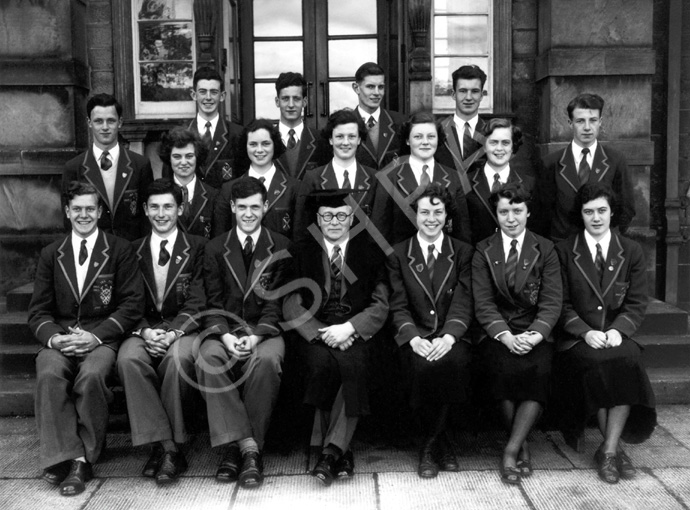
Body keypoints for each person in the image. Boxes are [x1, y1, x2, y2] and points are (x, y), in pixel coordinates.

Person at [28, 182, 144, 496]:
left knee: (92, 376)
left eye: (90, 209)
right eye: (77, 209)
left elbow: (132, 304)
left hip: (102, 338)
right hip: (63, 338)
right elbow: (38, 311)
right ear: (67, 212)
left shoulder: (119, 249)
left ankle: (86, 454)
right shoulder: (52, 254)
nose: (84, 215)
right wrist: (56, 339)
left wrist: (94, 337)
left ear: (100, 211)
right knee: (50, 373)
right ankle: (69, 455)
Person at [283, 189, 388, 486]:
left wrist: (351, 328)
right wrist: (321, 333)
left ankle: (328, 452)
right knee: (322, 367)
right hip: (317, 332)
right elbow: (291, 302)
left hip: (355, 331)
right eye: (327, 216)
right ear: (317, 219)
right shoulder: (301, 250)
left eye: (341, 215)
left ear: (352, 218)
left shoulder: (369, 250)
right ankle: (342, 450)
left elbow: (381, 304)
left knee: (354, 367)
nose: (334, 221)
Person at [555, 183, 656, 484]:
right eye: (589, 212)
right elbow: (558, 304)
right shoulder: (564, 251)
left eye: (602, 210)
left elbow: (637, 302)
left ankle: (609, 450)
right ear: (581, 215)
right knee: (598, 364)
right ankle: (613, 451)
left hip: (615, 336)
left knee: (627, 360)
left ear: (613, 213)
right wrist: (584, 332)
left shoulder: (631, 250)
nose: (596, 218)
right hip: (577, 339)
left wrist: (618, 329)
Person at [196, 177, 292, 488]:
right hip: (224, 328)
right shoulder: (214, 247)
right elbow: (211, 301)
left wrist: (254, 337)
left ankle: (237, 450)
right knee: (207, 357)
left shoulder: (281, 246)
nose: (249, 213)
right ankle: (247, 449)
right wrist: (224, 336)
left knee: (267, 361)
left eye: (255, 207)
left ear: (265, 207)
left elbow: (277, 303)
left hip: (263, 329)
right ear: (233, 208)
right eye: (242, 207)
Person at [116, 179, 207, 485]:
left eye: (168, 206)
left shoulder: (197, 247)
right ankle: (168, 447)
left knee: (177, 360)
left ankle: (169, 446)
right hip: (143, 329)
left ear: (180, 209)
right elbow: (127, 300)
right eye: (154, 206)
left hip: (183, 329)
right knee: (128, 360)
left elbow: (198, 300)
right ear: (144, 210)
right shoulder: (132, 250)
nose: (161, 213)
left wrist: (171, 333)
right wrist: (144, 332)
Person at [472, 182, 562, 485]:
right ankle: (521, 446)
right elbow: (483, 304)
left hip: (535, 333)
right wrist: (506, 336)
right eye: (504, 212)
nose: (511, 218)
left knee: (539, 370)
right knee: (501, 369)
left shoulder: (545, 248)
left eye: (517, 211)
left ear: (528, 213)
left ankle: (510, 450)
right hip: (498, 334)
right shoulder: (483, 251)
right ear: (496, 215)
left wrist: (535, 335)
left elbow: (551, 302)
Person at [386, 183, 474, 479]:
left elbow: (464, 300)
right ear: (416, 215)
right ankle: (440, 443)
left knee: (455, 362)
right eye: (425, 212)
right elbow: (397, 305)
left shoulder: (462, 251)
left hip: (452, 334)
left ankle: (430, 446)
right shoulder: (399, 254)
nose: (431, 218)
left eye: (438, 212)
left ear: (447, 216)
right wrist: (413, 338)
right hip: (417, 334)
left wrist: (449, 337)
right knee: (421, 367)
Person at [539, 93, 635, 241]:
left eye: (593, 120)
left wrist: (605, 236)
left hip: (601, 247)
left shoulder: (615, 161)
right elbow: (543, 214)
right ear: (570, 123)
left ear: (600, 122)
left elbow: (626, 208)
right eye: (580, 121)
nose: (587, 127)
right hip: (563, 250)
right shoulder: (551, 163)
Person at [62, 93, 153, 241]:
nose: (105, 127)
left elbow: (147, 216)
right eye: (98, 121)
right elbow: (69, 221)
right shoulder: (74, 168)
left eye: (110, 121)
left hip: (131, 252)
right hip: (93, 252)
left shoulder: (140, 164)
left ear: (120, 122)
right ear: (89, 122)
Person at [373, 111, 471, 245]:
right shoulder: (389, 177)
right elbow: (380, 230)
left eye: (431, 136)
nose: (425, 142)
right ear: (408, 140)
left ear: (438, 139)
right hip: (401, 260)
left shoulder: (454, 177)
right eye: (418, 137)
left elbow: (462, 231)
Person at [293, 110, 379, 245]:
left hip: (364, 260)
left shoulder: (374, 178)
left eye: (351, 136)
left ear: (359, 140)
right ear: (330, 139)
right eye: (339, 136)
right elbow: (302, 228)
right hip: (323, 259)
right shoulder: (313, 178)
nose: (345, 142)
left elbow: (380, 227)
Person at [212, 119, 298, 239]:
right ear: (245, 147)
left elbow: (299, 239)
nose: (259, 150)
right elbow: (220, 238)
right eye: (253, 144)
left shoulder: (294, 188)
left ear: (275, 145)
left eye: (265, 143)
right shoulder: (228, 190)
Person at [466, 119, 538, 245]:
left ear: (513, 146)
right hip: (477, 257)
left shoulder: (529, 184)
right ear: (484, 146)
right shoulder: (465, 182)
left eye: (505, 143)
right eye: (493, 142)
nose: (499, 148)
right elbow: (463, 231)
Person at [187, 66, 244, 188]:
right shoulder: (182, 134)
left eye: (214, 92)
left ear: (222, 96)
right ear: (194, 95)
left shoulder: (237, 134)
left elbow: (242, 179)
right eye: (202, 92)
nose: (208, 97)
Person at [159, 127, 217, 239]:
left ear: (197, 157)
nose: (183, 162)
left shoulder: (213, 195)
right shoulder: (159, 194)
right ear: (169, 158)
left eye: (189, 156)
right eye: (177, 157)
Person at [435, 64, 488, 183]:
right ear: (453, 94)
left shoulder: (491, 132)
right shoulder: (438, 130)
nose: (468, 97)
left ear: (481, 95)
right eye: (463, 91)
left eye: (474, 91)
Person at [352, 62, 405, 170]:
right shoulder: (345, 125)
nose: (377, 93)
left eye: (380, 87)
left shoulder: (399, 122)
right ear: (356, 88)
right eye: (370, 87)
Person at [273, 72, 322, 179]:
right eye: (285, 99)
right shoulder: (267, 140)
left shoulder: (320, 140)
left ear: (304, 102)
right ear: (277, 102)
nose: (291, 105)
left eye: (296, 99)